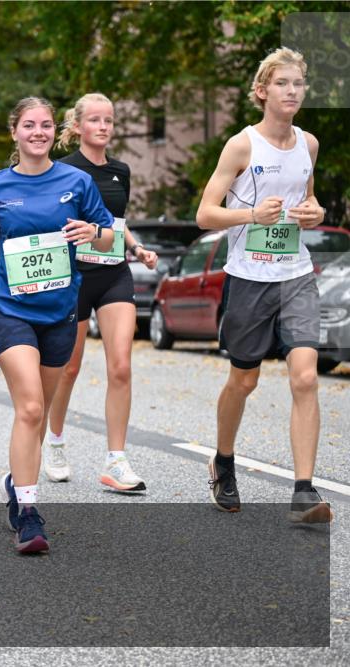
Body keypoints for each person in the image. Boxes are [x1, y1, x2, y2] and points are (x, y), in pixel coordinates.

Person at [0, 97, 115, 554]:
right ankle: (29, 514)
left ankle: (17, 477)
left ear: (55, 131)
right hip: (10, 308)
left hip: (60, 311)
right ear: (14, 132)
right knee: (30, 408)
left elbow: (108, 233)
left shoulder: (76, 181)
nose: (38, 132)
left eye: (46, 125)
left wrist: (92, 234)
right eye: (29, 125)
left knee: (41, 410)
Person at [195, 47, 331, 524]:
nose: (292, 91)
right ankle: (224, 460)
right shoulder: (242, 145)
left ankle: (302, 490)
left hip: (295, 274)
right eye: (282, 84)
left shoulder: (309, 145)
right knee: (244, 380)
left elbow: (308, 202)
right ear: (262, 91)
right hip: (249, 277)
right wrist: (251, 213)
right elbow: (205, 213)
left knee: (306, 376)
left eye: (298, 84)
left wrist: (316, 214)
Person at [43, 93, 159, 492]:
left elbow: (115, 221)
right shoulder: (60, 171)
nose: (104, 126)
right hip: (74, 276)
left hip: (113, 274)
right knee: (68, 368)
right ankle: (55, 442)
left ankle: (116, 460)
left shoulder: (120, 171)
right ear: (77, 126)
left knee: (121, 365)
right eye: (95, 120)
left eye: (109, 120)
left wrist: (136, 247)